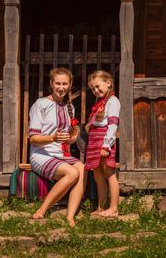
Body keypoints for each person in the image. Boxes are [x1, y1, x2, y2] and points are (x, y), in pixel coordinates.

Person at [29, 67, 85, 227]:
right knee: (72, 172)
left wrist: (72, 139)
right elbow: (33, 139)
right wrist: (52, 138)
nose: (61, 87)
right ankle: (42, 210)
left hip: (59, 154)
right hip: (41, 154)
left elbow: (67, 140)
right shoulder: (41, 104)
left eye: (65, 84)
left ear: (70, 85)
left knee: (81, 168)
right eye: (58, 83)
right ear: (51, 84)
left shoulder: (70, 108)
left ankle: (70, 216)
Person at [85, 70, 121, 218]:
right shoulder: (99, 103)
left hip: (103, 143)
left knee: (109, 174)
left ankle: (113, 208)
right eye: (93, 88)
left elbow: (112, 125)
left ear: (108, 83)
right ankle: (101, 207)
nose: (96, 90)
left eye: (98, 86)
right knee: (97, 176)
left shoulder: (113, 101)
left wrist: (106, 145)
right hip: (94, 143)